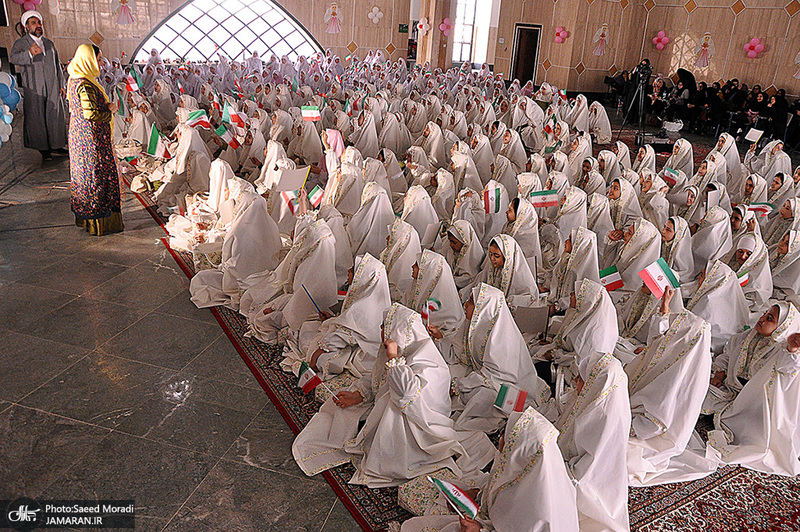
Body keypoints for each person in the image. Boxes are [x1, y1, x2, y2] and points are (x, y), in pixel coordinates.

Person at [400, 408, 580, 532]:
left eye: (507, 438)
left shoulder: (542, 513)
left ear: (519, 452)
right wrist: (475, 495)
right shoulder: (526, 470)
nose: (500, 440)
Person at [65, 43, 122, 236]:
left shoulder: (75, 79)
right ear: (88, 60)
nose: (100, 63)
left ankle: (87, 219)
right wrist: (110, 110)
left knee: (85, 177)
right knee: (97, 177)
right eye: (97, 59)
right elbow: (91, 114)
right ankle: (101, 221)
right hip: (91, 140)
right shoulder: (85, 84)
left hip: (80, 137)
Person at [10, 11, 68, 160]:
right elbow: (13, 58)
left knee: (54, 115)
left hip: (53, 85)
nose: (38, 25)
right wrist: (29, 53)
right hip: (34, 87)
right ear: (26, 27)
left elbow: (57, 64)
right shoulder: (21, 43)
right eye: (34, 23)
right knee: (37, 117)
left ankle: (56, 145)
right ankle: (43, 149)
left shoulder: (49, 43)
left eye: (39, 23)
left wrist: (62, 84)